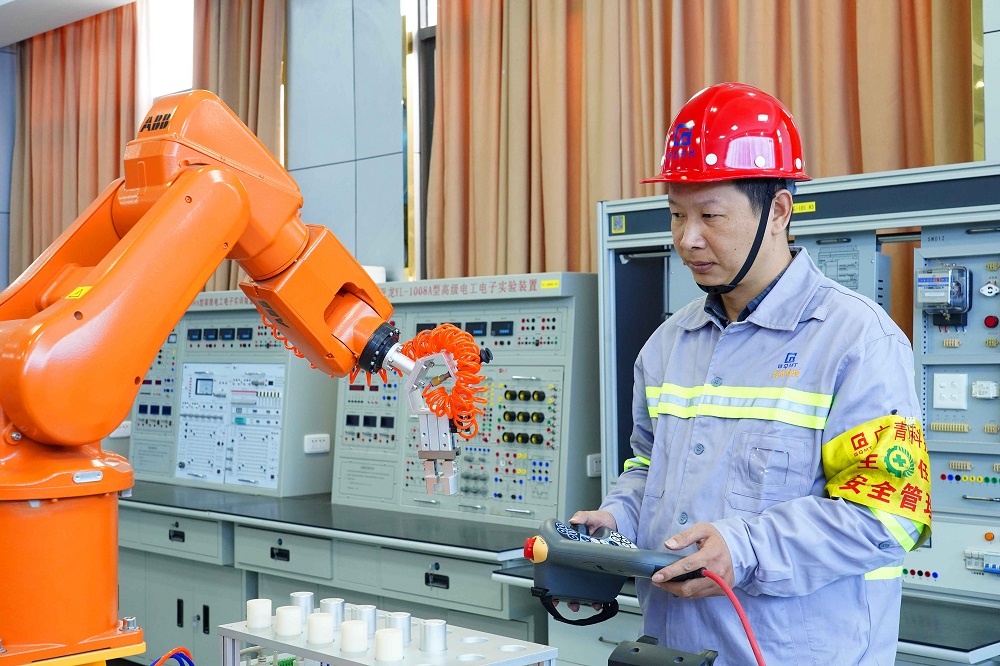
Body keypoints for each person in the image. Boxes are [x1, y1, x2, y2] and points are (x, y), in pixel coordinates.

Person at [570, 82, 931, 665]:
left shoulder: (856, 342)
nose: (688, 239)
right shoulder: (668, 346)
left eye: (710, 216)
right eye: (676, 215)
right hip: (672, 650)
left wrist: (745, 549)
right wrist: (615, 520)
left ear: (779, 210)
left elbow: (889, 516)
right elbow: (646, 469)